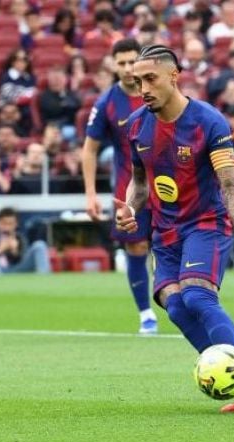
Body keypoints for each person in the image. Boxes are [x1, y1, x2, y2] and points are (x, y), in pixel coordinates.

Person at [115, 45, 234, 412]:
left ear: (174, 76)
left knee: (197, 297)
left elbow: (230, 185)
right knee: (175, 306)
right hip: (165, 232)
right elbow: (140, 184)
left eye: (150, 79)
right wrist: (129, 209)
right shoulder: (137, 126)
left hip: (206, 223)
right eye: (138, 81)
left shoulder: (208, 122)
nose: (143, 88)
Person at [81, 39, 158, 335]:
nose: (127, 68)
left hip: (166, 185)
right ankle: (146, 314)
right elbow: (89, 150)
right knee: (136, 246)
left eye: (131, 62)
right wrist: (90, 194)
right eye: (121, 63)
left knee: (170, 245)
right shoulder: (107, 103)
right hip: (130, 189)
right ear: (113, 65)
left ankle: (177, 302)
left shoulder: (159, 92)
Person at [0, 207, 51, 275]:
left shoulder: (19, 238)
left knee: (40, 245)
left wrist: (14, 251)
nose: (7, 227)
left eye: (10, 224)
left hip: (16, 269)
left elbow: (23, 258)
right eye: (4, 223)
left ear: (16, 224)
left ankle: (44, 278)